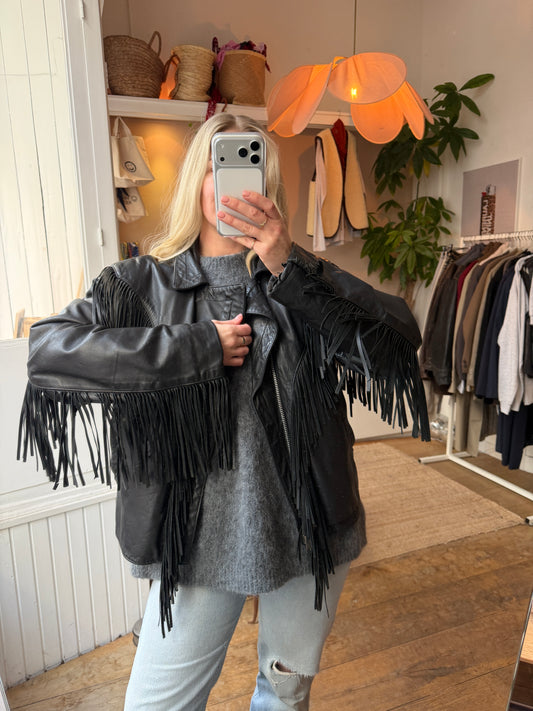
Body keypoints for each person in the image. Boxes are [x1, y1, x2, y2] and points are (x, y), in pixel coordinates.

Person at [18, 113, 429, 710]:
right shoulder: (141, 286)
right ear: (197, 179)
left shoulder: (303, 276)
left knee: (285, 694)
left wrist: (290, 269)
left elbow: (398, 339)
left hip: (310, 528)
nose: (233, 181)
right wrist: (195, 347)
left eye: (249, 165)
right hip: (198, 543)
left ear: (269, 186)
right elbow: (49, 350)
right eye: (219, 164)